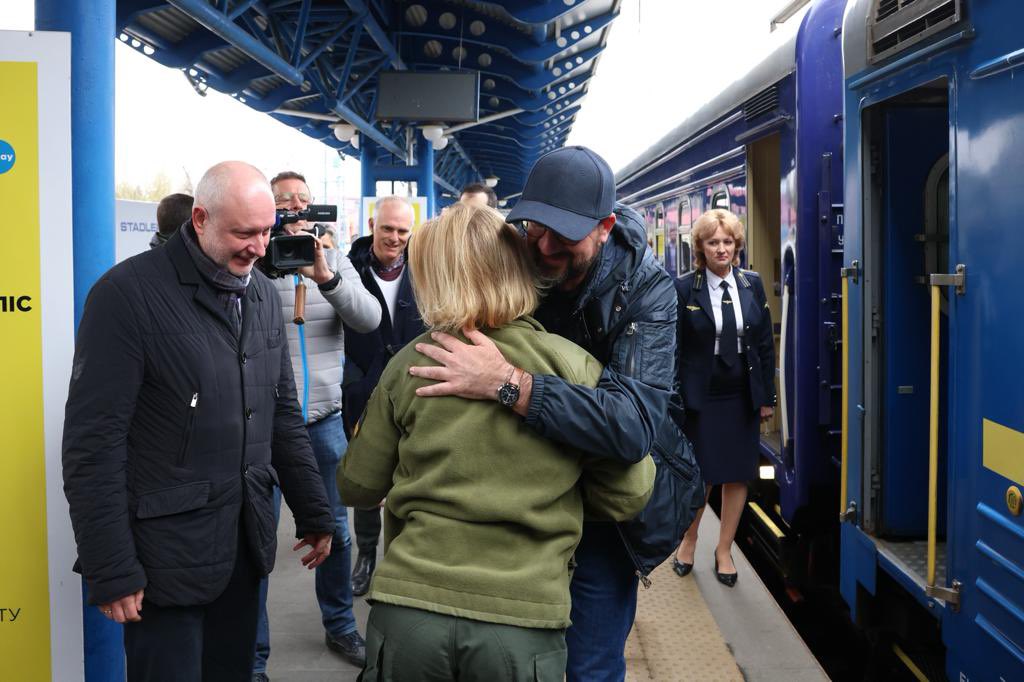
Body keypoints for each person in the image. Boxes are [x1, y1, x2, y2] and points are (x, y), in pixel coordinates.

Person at [337, 204, 656, 680]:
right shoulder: (572, 366)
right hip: (521, 621)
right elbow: (629, 493)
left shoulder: (410, 364)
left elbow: (357, 486)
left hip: (411, 610)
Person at [408, 146, 678, 681]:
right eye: (536, 227)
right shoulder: (521, 253)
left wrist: (507, 384)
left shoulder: (648, 291)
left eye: (566, 235)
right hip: (522, 505)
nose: (546, 248)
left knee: (587, 669)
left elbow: (633, 427)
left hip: (603, 515)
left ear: (604, 228)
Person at [62, 161, 335, 682]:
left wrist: (314, 511)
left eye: (266, 231)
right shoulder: (125, 295)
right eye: (244, 233)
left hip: (244, 545)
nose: (259, 247)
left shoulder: (256, 291)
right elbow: (93, 445)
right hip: (163, 562)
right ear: (202, 219)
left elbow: (279, 412)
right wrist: (110, 567)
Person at [251, 171, 382, 677]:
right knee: (255, 540)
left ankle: (340, 625)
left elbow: (368, 319)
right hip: (262, 424)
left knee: (336, 533)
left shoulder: (334, 255)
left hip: (323, 420)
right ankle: (253, 656)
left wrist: (324, 273)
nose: (294, 208)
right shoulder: (253, 261)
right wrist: (264, 264)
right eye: (283, 201)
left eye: (303, 201)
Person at [672, 208, 775, 587]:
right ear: (700, 247)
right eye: (713, 242)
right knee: (702, 475)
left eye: (727, 242)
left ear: (737, 245)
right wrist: (675, 398)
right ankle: (689, 540)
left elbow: (764, 344)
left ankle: (724, 550)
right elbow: (675, 348)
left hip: (740, 391)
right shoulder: (685, 288)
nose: (721, 249)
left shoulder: (752, 284)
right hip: (703, 393)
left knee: (737, 474)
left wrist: (767, 397)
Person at [340, 196, 424, 597]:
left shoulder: (425, 272)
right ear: (373, 224)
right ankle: (367, 555)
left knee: (413, 476)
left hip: (414, 390)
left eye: (402, 231)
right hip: (364, 392)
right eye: (388, 228)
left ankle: (404, 560)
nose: (394, 238)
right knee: (367, 478)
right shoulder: (348, 270)